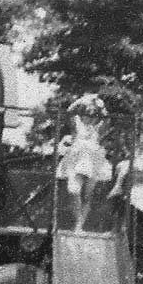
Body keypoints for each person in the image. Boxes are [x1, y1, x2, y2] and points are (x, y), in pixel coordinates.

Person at [57, 94, 113, 231]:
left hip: (93, 161)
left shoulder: (98, 126)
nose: (89, 115)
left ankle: (79, 226)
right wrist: (81, 100)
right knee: (73, 190)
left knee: (88, 195)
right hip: (76, 159)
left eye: (93, 112)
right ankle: (78, 221)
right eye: (87, 111)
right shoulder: (76, 122)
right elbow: (69, 112)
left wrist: (100, 104)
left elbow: (107, 119)